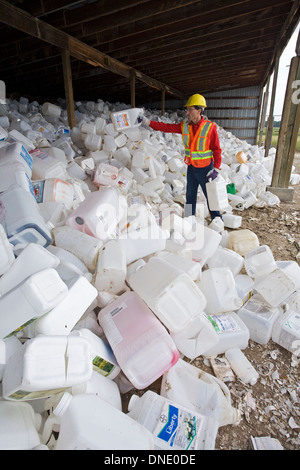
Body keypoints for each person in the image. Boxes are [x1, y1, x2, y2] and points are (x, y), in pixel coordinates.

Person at [141, 93, 222, 221]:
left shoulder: (209, 128)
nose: (187, 112)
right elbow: (166, 127)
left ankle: (217, 220)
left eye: (190, 109)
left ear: (199, 110)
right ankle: (189, 219)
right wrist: (147, 122)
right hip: (191, 168)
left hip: (206, 169)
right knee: (190, 196)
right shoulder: (185, 126)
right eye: (187, 109)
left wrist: (216, 169)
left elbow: (217, 150)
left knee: (210, 196)